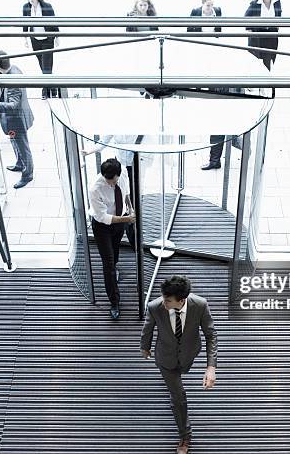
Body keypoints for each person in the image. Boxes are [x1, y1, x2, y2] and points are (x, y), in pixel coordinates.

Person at [141, 275, 217, 454]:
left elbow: (211, 335)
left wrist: (211, 367)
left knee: (180, 376)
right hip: (165, 358)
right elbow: (148, 328)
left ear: (181, 300)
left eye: (167, 300)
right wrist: (145, 348)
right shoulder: (155, 307)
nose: (163, 302)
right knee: (178, 397)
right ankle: (185, 435)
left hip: (189, 354)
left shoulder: (200, 305)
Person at [88, 158, 135, 319]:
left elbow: (125, 193)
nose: (111, 184)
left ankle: (114, 273)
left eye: (113, 181)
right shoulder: (95, 189)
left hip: (119, 223)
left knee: (114, 255)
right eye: (108, 182)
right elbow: (103, 217)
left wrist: (130, 208)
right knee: (108, 263)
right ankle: (114, 302)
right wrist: (127, 219)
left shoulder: (122, 176)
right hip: (103, 227)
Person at [82, 135, 140, 249]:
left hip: (137, 164)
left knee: (132, 200)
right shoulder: (96, 189)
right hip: (120, 166)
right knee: (122, 200)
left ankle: (134, 239)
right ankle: (131, 237)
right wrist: (89, 151)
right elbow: (103, 142)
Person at [0, 51, 35, 189]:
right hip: (13, 122)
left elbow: (13, 105)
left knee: (22, 147)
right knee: (14, 141)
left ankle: (28, 174)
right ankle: (20, 163)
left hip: (16, 122)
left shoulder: (13, 80)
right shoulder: (13, 69)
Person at [23, 0, 59, 99]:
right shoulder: (26, 7)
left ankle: (45, 91)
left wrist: (57, 36)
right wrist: (25, 38)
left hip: (48, 39)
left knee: (46, 67)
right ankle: (53, 89)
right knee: (43, 67)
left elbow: (54, 22)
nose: (30, 0)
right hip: (35, 41)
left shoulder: (47, 6)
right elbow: (24, 23)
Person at [244, 0, 282, 71]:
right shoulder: (255, 4)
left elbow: (279, 13)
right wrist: (249, 30)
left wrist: (278, 25)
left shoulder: (276, 2)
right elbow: (246, 17)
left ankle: (267, 83)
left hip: (271, 35)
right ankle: (255, 84)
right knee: (256, 62)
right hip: (258, 35)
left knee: (268, 61)